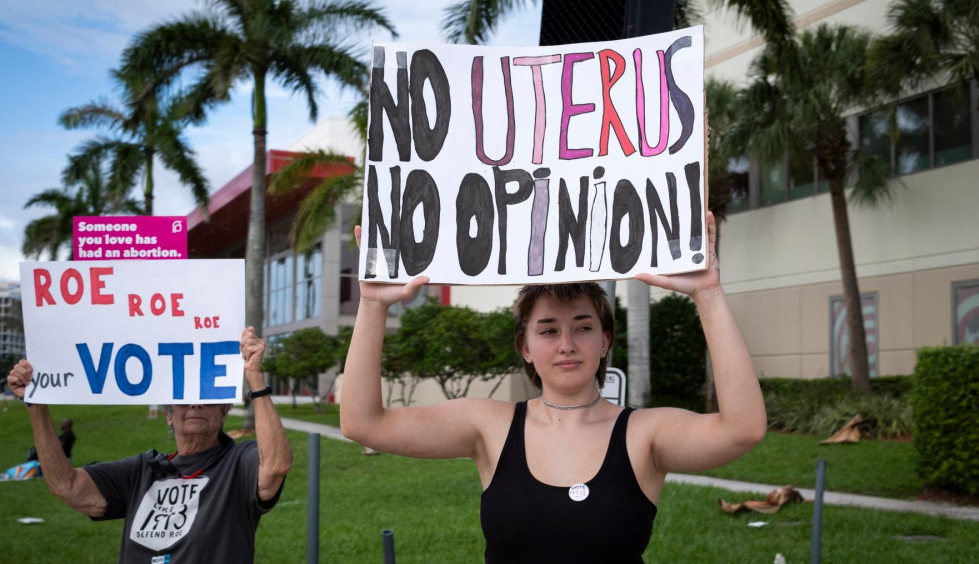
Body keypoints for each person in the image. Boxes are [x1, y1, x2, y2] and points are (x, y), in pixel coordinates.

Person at [340, 212, 767, 563]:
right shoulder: (489, 426)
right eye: (548, 331)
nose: (566, 345)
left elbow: (743, 428)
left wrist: (708, 294)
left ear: (605, 341)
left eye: (582, 327)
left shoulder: (644, 435)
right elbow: (363, 423)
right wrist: (374, 305)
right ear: (525, 347)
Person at [5, 327, 291, 564]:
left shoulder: (238, 462)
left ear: (225, 410)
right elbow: (65, 486)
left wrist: (255, 377)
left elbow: (275, 467)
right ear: (167, 414)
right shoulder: (143, 470)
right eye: (182, 397)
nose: (195, 403)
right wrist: (36, 404)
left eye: (208, 396)